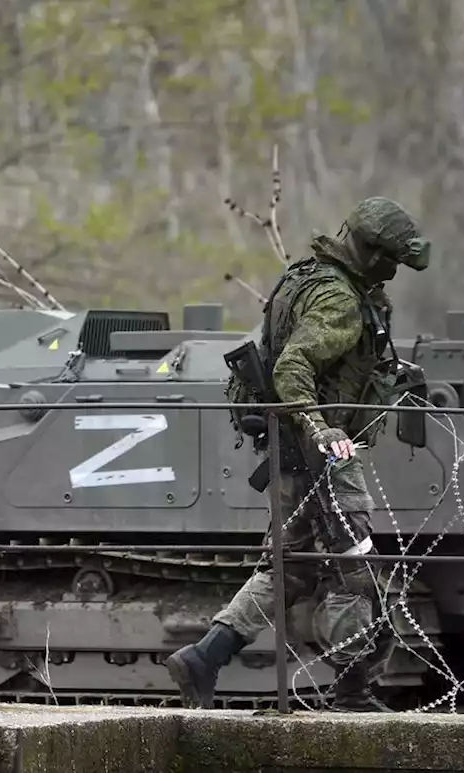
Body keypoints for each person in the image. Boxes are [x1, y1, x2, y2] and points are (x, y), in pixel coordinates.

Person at [165, 196, 431, 712]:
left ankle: (203, 658)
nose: (394, 272)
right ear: (371, 250)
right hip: (326, 455)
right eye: (392, 259)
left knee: (289, 570)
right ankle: (353, 690)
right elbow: (292, 367)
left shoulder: (302, 277)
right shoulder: (340, 300)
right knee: (354, 570)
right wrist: (320, 430)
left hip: (292, 451)